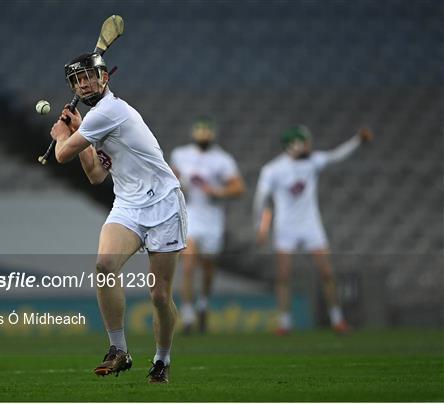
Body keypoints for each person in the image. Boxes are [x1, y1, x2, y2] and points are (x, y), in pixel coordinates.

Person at [50, 52, 187, 384]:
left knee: (159, 296)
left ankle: (162, 360)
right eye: (77, 81)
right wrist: (79, 132)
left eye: (89, 77)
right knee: (104, 266)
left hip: (164, 205)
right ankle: (118, 350)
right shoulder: (96, 119)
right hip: (128, 205)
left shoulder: (110, 111)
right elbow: (96, 175)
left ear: (104, 78)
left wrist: (61, 136)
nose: (83, 85)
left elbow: (62, 155)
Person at [253, 125, 374, 335]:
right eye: (305, 141)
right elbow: (260, 199)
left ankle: (337, 319)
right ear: (293, 145)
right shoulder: (273, 169)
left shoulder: (313, 161)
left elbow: (337, 156)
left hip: (311, 225)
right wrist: (261, 227)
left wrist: (357, 140)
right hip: (286, 227)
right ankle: (285, 322)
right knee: (283, 276)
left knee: (327, 273)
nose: (309, 145)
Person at [170, 118, 245, 333]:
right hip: (189, 214)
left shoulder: (222, 159)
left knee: (208, 267)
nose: (203, 135)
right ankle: (187, 314)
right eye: (200, 131)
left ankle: (202, 303)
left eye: (206, 132)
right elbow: (171, 178)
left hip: (212, 217)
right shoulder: (180, 154)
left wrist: (218, 191)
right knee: (188, 263)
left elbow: (238, 187)